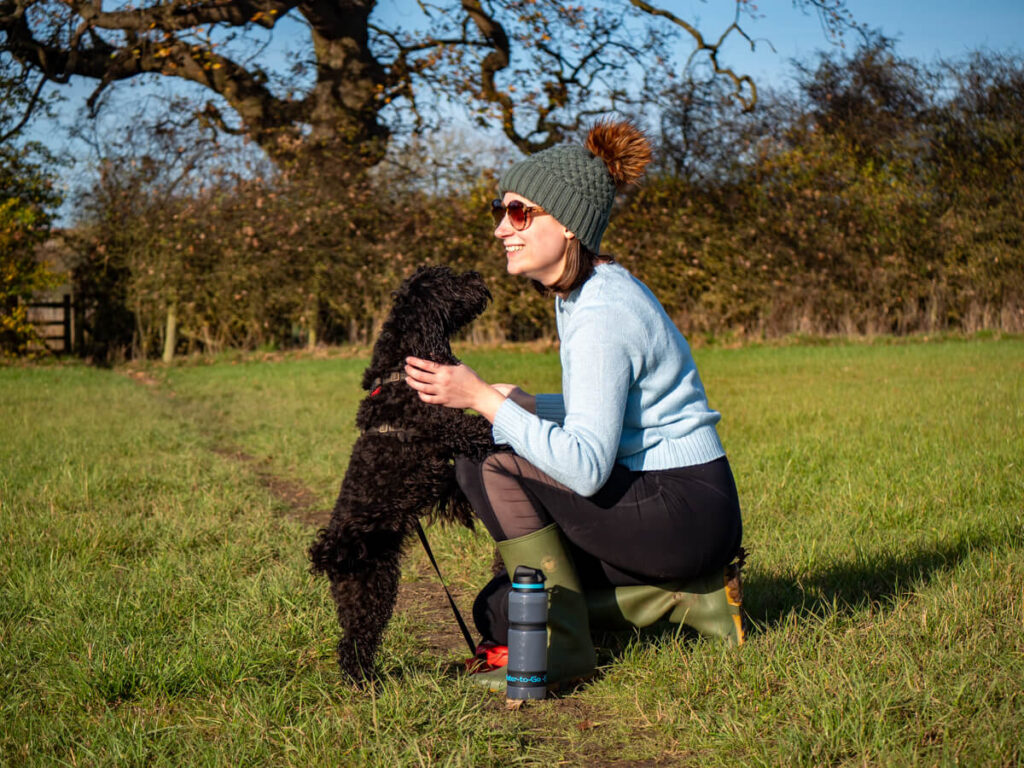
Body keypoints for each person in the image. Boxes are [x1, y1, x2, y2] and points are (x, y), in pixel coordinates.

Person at [404, 120, 745, 692]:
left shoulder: (601, 312)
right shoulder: (590, 291)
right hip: (682, 504)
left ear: (566, 225)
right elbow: (618, 408)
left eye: (518, 213)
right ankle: (698, 600)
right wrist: (532, 404)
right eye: (500, 210)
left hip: (680, 509)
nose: (500, 229)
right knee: (500, 608)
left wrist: (483, 398)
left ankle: (557, 653)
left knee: (484, 459)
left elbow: (586, 468)